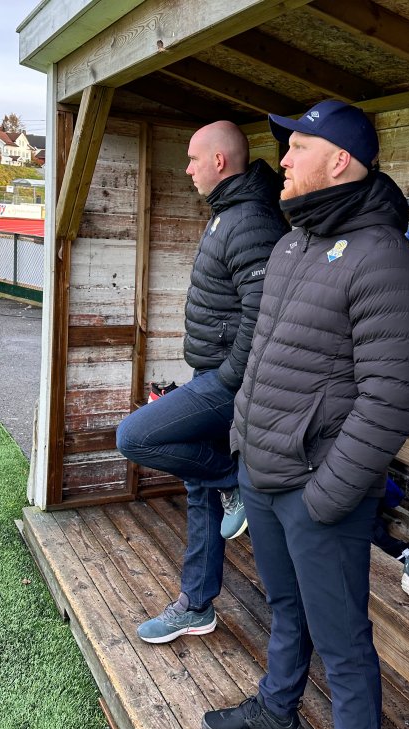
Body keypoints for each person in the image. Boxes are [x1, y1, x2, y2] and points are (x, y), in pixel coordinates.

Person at [201, 101, 409, 729]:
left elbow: (389, 401)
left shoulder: (385, 258)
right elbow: (269, 356)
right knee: (284, 607)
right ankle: (278, 709)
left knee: (346, 650)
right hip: (265, 474)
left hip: (317, 492)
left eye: (298, 147)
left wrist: (327, 496)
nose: (285, 160)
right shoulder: (293, 243)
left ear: (339, 161)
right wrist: (243, 441)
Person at [116, 120, 288, 644]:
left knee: (135, 437)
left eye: (193, 159)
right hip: (212, 372)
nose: (187, 168)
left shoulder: (252, 220)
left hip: (229, 383)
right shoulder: (227, 215)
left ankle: (233, 482)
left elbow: (264, 317)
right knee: (197, 486)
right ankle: (196, 604)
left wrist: (230, 378)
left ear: (219, 162)